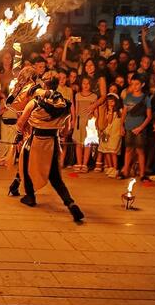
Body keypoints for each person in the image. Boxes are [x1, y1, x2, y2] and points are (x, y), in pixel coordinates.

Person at [11, 75, 85, 222]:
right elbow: (66, 130)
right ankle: (70, 203)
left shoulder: (35, 102)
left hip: (35, 141)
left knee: (26, 168)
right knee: (56, 178)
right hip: (52, 143)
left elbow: (20, 123)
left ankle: (30, 196)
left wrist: (19, 134)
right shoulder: (64, 104)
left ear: (44, 86)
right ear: (57, 86)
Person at [120, 76, 151, 180]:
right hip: (128, 127)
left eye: (137, 84)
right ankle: (125, 172)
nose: (135, 86)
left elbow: (149, 116)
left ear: (142, 84)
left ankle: (142, 174)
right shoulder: (128, 97)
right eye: (132, 84)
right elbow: (124, 113)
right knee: (128, 149)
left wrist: (141, 128)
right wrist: (121, 126)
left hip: (140, 129)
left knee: (140, 151)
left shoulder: (146, 98)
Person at [71, 76, 99, 171]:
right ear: (81, 84)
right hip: (80, 121)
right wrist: (74, 120)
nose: (86, 85)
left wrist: (95, 121)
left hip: (89, 122)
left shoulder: (94, 96)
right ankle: (79, 163)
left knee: (87, 144)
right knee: (78, 144)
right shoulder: (77, 95)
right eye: (84, 83)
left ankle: (84, 164)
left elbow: (96, 111)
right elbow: (76, 109)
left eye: (88, 83)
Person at [97, 93, 124, 178]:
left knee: (113, 151)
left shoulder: (120, 111)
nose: (110, 103)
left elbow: (115, 121)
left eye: (112, 101)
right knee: (106, 150)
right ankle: (110, 167)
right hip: (106, 132)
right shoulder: (106, 111)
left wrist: (112, 111)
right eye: (108, 102)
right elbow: (108, 121)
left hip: (115, 133)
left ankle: (115, 168)